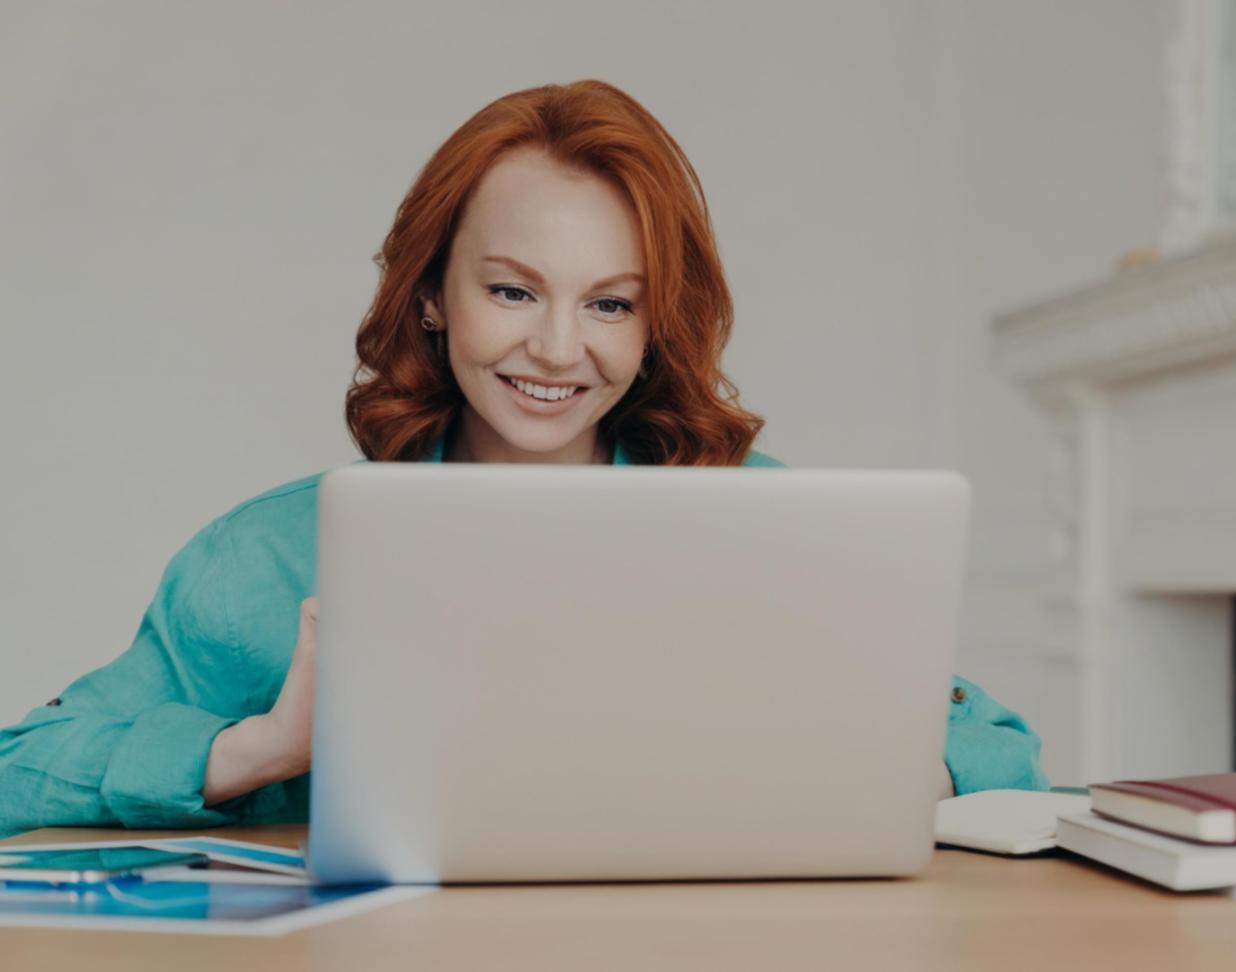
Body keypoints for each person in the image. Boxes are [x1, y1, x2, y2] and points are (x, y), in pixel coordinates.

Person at [0, 80, 1048, 840]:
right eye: (511, 291)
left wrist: (832, 764)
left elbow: (1001, 749)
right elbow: (16, 773)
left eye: (609, 303)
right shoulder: (267, 561)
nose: (556, 349)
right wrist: (268, 748)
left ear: (652, 329)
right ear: (430, 297)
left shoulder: (759, 525)